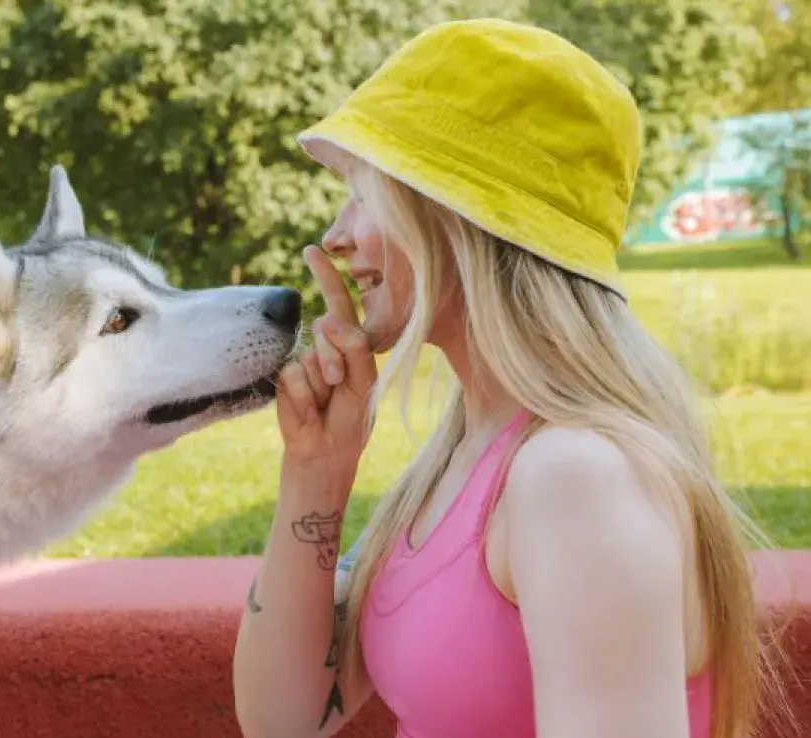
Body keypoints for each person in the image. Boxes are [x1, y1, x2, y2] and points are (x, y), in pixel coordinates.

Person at [232, 18, 787, 738]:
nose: (335, 236)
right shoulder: (462, 458)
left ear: (457, 214)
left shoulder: (573, 477)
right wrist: (318, 469)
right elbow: (286, 722)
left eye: (364, 192)